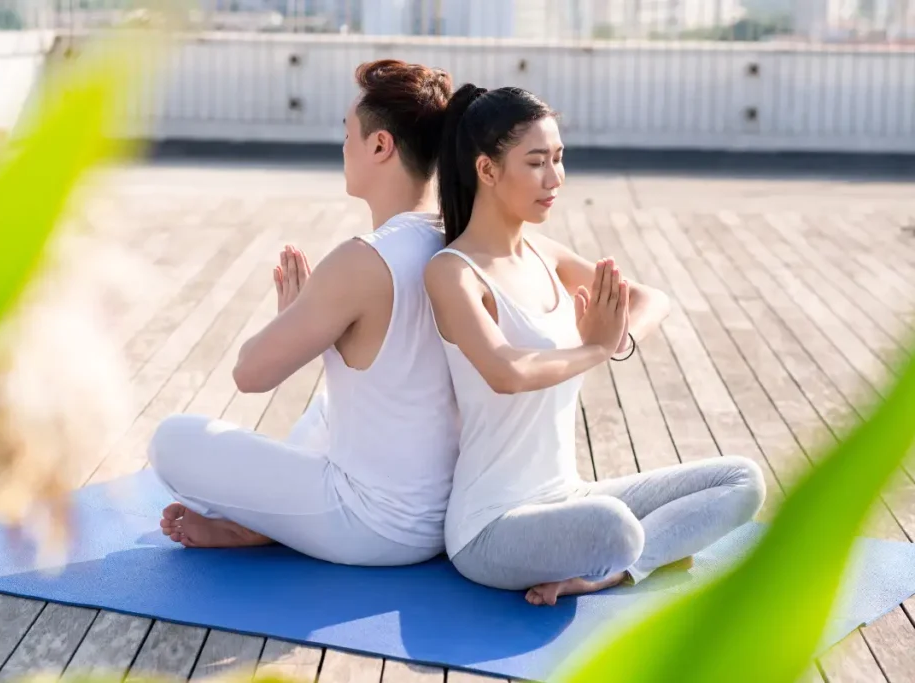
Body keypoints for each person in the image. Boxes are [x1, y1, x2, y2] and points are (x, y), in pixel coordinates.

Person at [423, 84, 766, 605]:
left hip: (568, 494)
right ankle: (621, 555)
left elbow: (651, 298)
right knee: (614, 527)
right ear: (487, 170)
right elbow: (504, 371)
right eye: (537, 162)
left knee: (743, 479)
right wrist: (593, 350)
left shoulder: (544, 254)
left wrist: (615, 339)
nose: (555, 178)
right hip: (490, 526)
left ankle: (617, 572)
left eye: (559, 159)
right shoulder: (454, 272)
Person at [147, 60, 460, 567]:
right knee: (328, 406)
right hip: (442, 517)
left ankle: (259, 525)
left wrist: (288, 320)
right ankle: (258, 523)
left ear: (380, 146)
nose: (343, 147)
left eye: (348, 134)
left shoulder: (363, 259)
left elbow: (250, 375)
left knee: (169, 440)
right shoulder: (457, 240)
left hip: (375, 527)